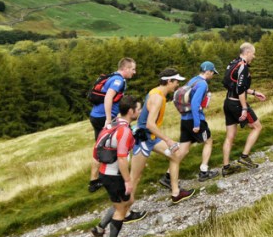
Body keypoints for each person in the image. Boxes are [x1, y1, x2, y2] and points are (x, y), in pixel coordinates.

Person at [89, 94, 142, 237]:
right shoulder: (124, 131)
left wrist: (94, 177)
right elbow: (122, 158)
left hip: (105, 173)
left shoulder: (112, 123)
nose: (140, 111)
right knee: (121, 209)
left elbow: (96, 150)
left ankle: (99, 229)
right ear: (131, 111)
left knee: (126, 201)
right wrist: (128, 181)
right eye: (138, 109)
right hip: (114, 176)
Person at [129, 68, 186, 202]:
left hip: (151, 138)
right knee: (135, 177)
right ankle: (123, 211)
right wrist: (168, 140)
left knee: (176, 155)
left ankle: (176, 193)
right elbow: (150, 124)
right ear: (169, 81)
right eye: (176, 81)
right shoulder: (157, 97)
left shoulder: (157, 92)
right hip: (143, 139)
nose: (177, 84)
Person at [166, 61, 219, 203]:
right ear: (208, 71)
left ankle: (168, 175)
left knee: (183, 149)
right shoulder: (203, 84)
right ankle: (204, 171)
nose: (213, 75)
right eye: (213, 72)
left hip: (185, 120)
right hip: (195, 120)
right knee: (208, 141)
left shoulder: (193, 80)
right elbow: (195, 104)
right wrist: (197, 124)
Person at [88, 57, 136, 193]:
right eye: (133, 69)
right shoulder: (118, 80)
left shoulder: (112, 76)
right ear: (125, 68)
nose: (134, 72)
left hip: (96, 116)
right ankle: (118, 175)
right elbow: (108, 97)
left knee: (99, 147)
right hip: (103, 118)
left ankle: (94, 181)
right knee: (119, 144)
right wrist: (109, 119)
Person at [221, 43, 267, 176]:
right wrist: (244, 108)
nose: (254, 56)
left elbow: (233, 85)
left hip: (228, 102)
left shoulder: (233, 63)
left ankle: (226, 167)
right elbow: (240, 89)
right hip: (237, 104)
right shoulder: (243, 66)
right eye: (253, 53)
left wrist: (254, 93)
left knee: (230, 136)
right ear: (247, 52)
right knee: (257, 127)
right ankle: (244, 157)